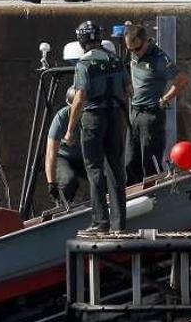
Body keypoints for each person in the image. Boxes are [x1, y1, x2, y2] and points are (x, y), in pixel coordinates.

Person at [65, 21, 129, 233]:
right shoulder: (116, 60)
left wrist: (70, 129)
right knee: (117, 170)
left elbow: (80, 97)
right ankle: (120, 225)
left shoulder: (84, 64)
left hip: (93, 118)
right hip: (116, 117)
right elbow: (129, 90)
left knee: (95, 170)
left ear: (82, 41)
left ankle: (100, 222)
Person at [123, 24, 190, 184]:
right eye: (129, 50)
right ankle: (131, 199)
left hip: (151, 114)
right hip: (134, 113)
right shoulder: (133, 52)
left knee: (150, 162)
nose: (134, 53)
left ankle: (154, 194)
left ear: (146, 42)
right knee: (130, 162)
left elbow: (182, 80)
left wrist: (165, 99)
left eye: (137, 49)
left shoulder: (159, 58)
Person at [45, 87, 88, 205]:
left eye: (82, 107)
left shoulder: (90, 116)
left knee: (102, 176)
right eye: (75, 107)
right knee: (69, 180)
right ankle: (63, 206)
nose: (78, 111)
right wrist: (51, 183)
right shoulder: (61, 118)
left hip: (84, 156)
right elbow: (50, 153)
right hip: (63, 157)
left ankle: (106, 205)